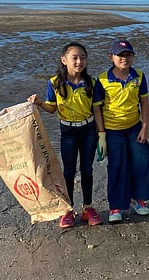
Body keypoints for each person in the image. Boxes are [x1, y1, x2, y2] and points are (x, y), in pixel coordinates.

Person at [28, 42, 102, 228]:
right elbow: (52, 108)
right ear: (64, 60)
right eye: (74, 58)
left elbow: (97, 110)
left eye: (83, 58)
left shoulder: (92, 83)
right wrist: (39, 103)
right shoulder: (54, 82)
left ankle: (88, 208)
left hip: (88, 131)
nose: (79, 62)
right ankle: (68, 210)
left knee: (87, 169)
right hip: (67, 131)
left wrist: (102, 134)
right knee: (68, 171)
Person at [93, 40, 149, 223]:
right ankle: (115, 207)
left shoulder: (139, 76)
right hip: (113, 131)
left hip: (134, 128)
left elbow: (144, 102)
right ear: (111, 57)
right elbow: (96, 108)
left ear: (133, 57)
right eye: (120, 55)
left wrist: (144, 126)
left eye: (128, 55)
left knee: (141, 162)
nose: (124, 59)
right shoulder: (102, 80)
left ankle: (139, 200)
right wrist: (101, 134)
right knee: (117, 166)